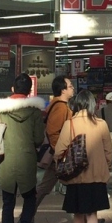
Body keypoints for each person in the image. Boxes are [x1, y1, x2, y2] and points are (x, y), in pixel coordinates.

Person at [53, 90, 112, 223]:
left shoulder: (70, 124)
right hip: (96, 176)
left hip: (76, 175)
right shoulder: (101, 124)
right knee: (92, 213)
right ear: (92, 104)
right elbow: (108, 150)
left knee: (78, 212)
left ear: (77, 104)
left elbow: (59, 151)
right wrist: (106, 166)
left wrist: (60, 162)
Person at [0, 75, 45, 223]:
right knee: (30, 198)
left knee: (8, 203)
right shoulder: (34, 112)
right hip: (27, 160)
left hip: (6, 161)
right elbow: (39, 138)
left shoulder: (0, 111)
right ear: (29, 91)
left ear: (12, 89)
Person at [35, 75, 74, 211]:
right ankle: (26, 216)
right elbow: (53, 132)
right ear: (63, 90)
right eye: (70, 86)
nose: (73, 88)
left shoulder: (59, 105)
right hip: (59, 155)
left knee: (45, 187)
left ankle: (27, 216)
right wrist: (61, 153)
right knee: (77, 184)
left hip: (58, 155)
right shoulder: (61, 107)